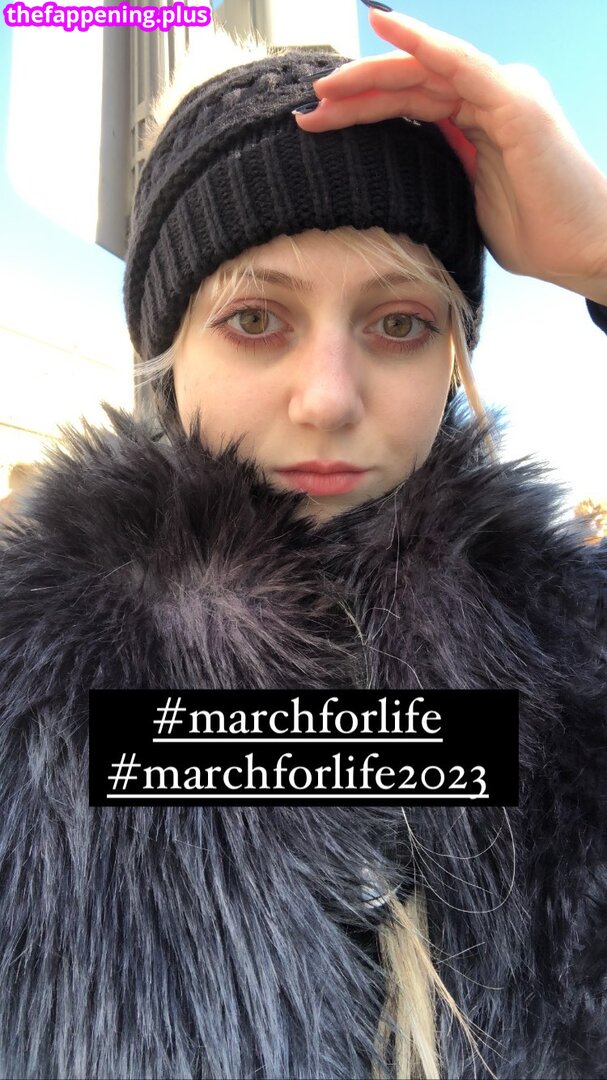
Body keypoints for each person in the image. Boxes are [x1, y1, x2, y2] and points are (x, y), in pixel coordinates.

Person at [1, 4, 606, 1078]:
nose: (328, 398)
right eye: (255, 320)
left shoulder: (573, 648)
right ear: (167, 350)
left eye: (398, 324)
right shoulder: (28, 681)